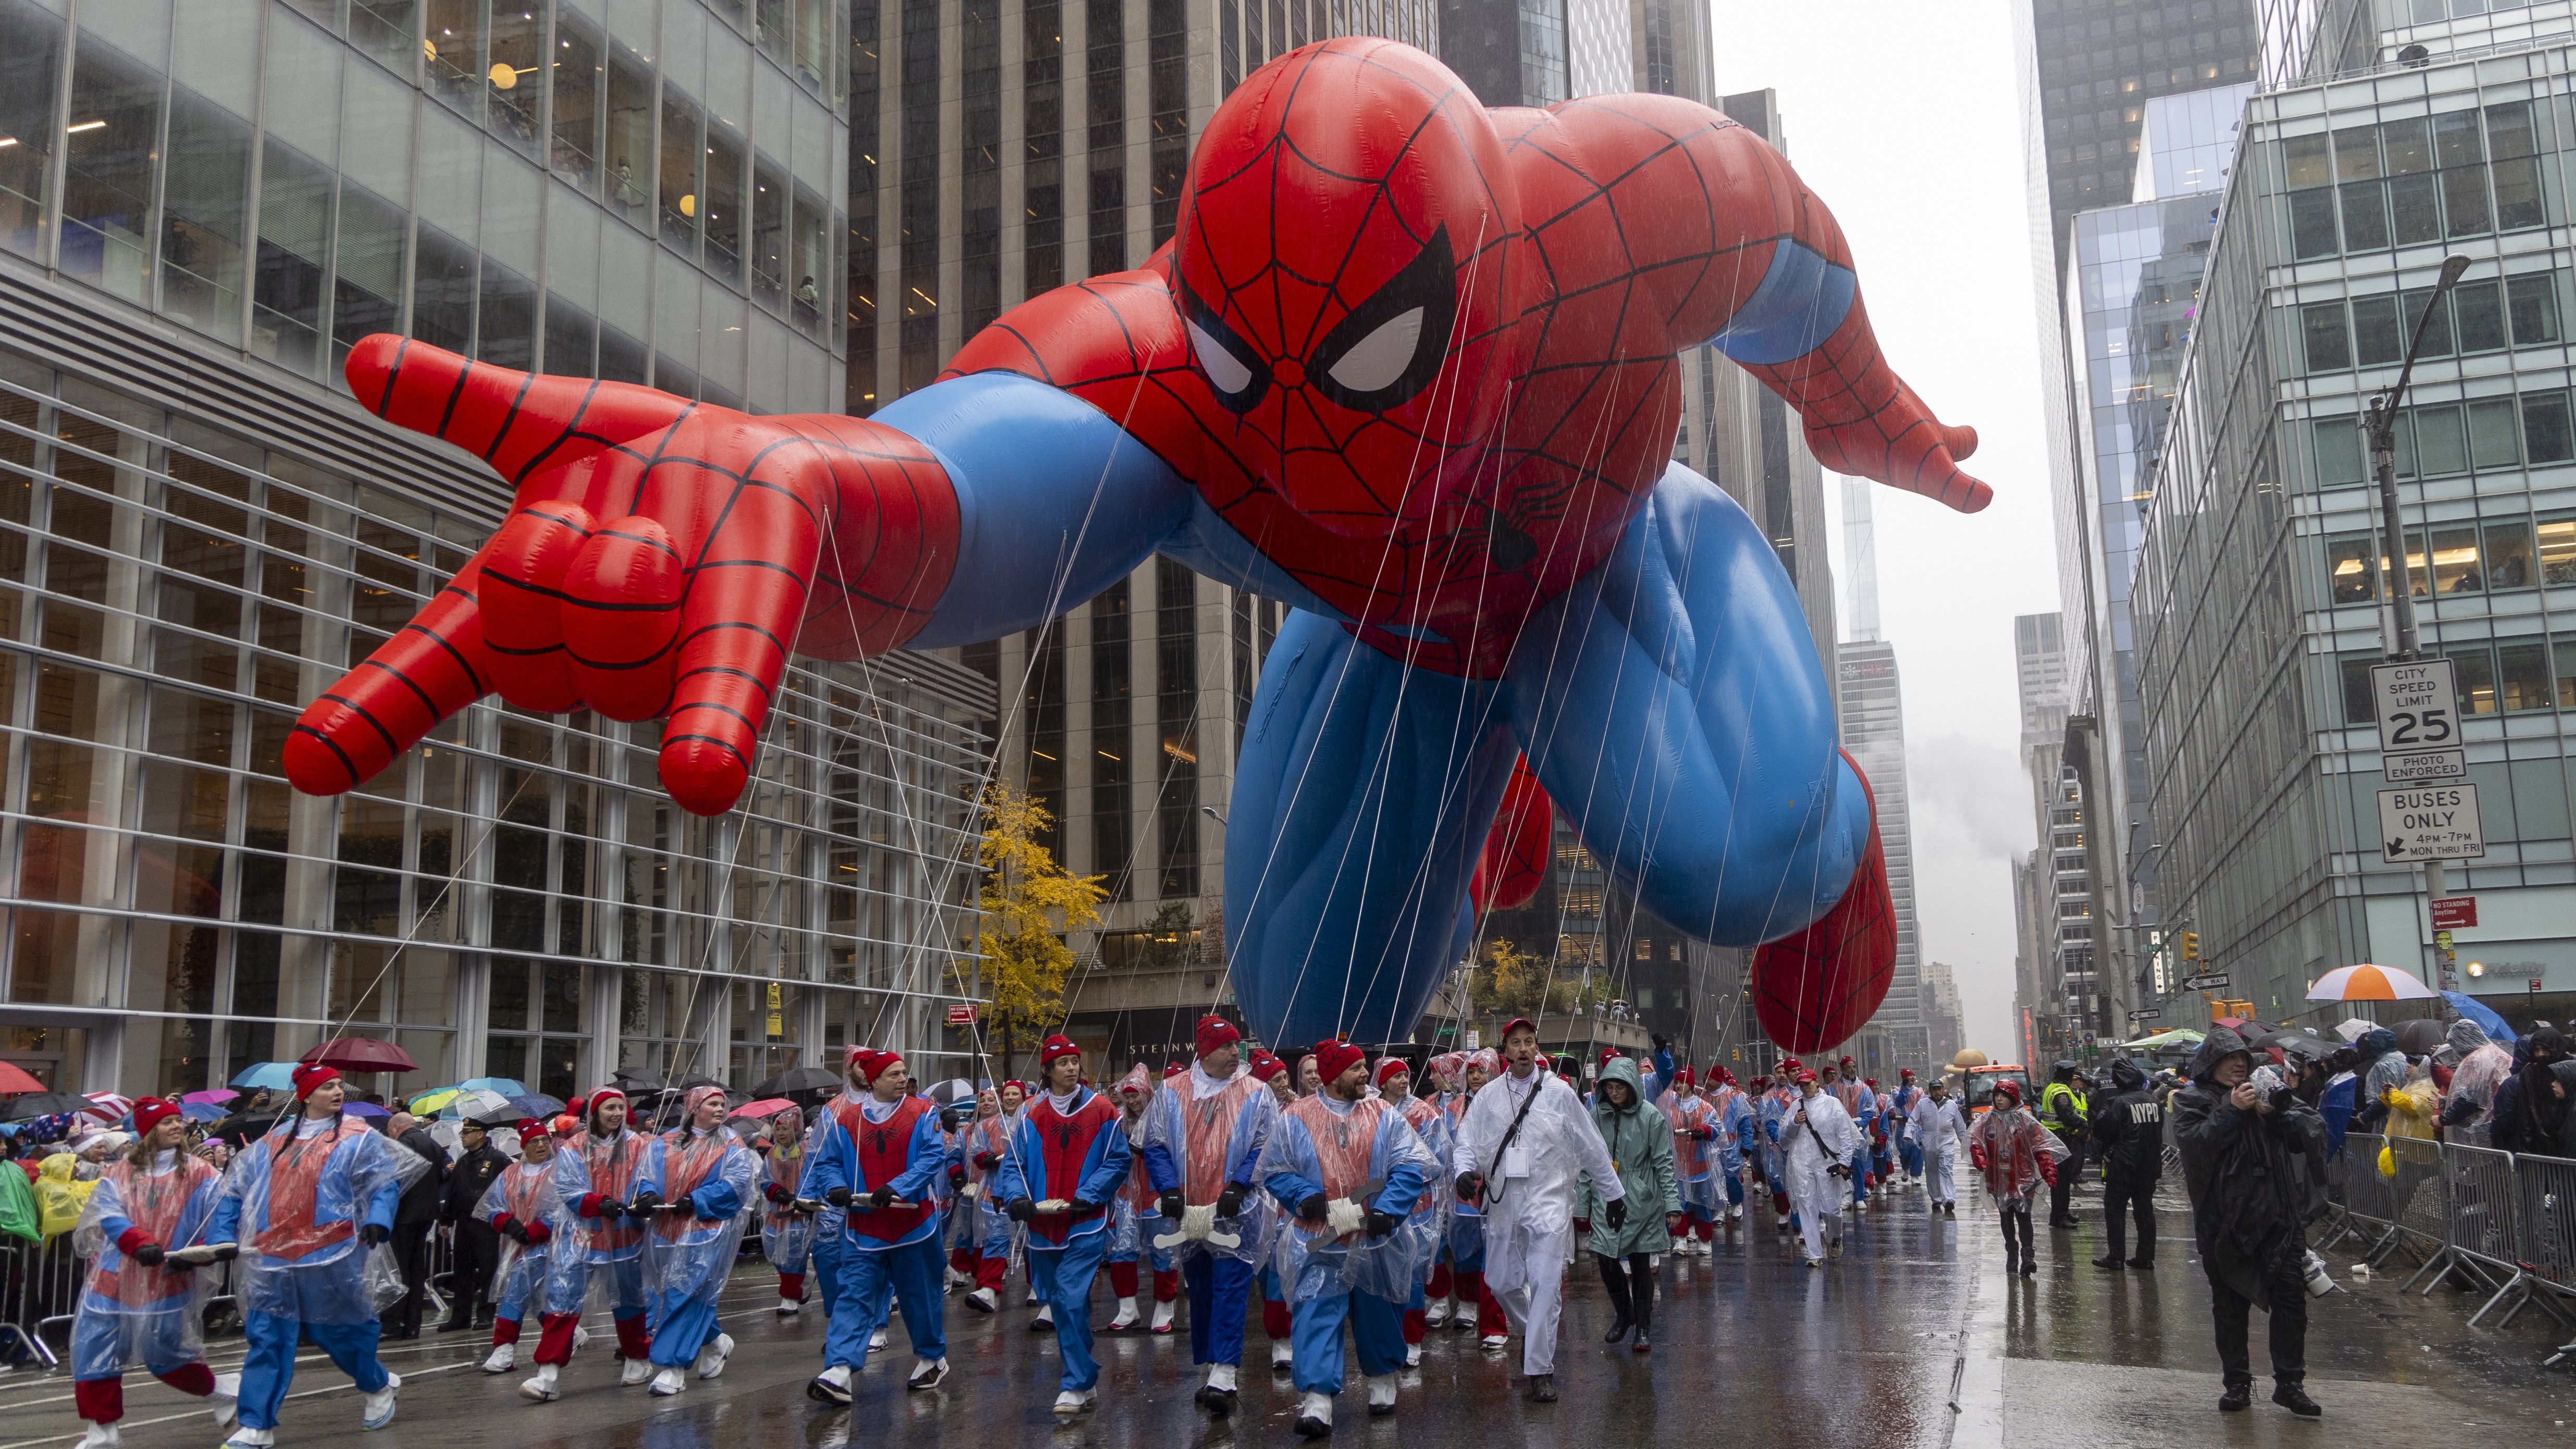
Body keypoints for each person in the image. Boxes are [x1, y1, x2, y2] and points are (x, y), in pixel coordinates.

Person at [209, 1065, 425, 1448]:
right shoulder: (273, 1141)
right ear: (307, 1095)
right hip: (272, 1255)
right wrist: (223, 1236)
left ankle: (378, 1384)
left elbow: (384, 1183)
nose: (338, 1091)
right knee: (267, 1337)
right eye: (328, 1086)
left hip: (332, 1252)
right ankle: (257, 1424)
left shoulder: (359, 1137)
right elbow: (234, 1190)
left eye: (340, 1085)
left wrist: (378, 1219)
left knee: (338, 1332)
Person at [1257, 1039, 1434, 1438]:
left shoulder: (1384, 1114)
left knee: (1378, 1311)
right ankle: (1318, 1400)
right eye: (1356, 1068)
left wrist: (1389, 1208)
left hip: (1375, 1237)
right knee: (1315, 1312)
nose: (1365, 1074)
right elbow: (1275, 1169)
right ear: (1336, 1075)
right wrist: (1306, 1198)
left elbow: (1410, 1163)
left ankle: (1382, 1380)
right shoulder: (1295, 1117)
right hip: (1318, 1238)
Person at [1451, 1017, 1624, 1403]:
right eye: (1516, 1042)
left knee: (1546, 1282)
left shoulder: (1559, 1093)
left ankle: (1541, 1369)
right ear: (1505, 1050)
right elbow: (1466, 1140)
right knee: (1500, 1281)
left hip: (1548, 1199)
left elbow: (1591, 1145)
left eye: (1530, 1041)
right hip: (1504, 1202)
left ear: (1537, 1046)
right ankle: (1536, 1334)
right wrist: (1462, 1171)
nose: (1524, 1048)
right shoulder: (1489, 1097)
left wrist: (1614, 1194)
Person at [2172, 1026, 2325, 1418]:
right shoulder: (2193, 1099)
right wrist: (2232, 1110)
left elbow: (2304, 1135)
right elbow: (2195, 1145)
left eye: (2243, 1058)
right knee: (2229, 1305)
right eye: (2229, 1059)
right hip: (2224, 1222)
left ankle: (2290, 1383)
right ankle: (2237, 1383)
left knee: (2291, 1302)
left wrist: (2277, 1114)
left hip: (2278, 1217)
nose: (2238, 1064)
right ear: (2211, 1062)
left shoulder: (2266, 1087)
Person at [68, 1098, 237, 1449]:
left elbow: (220, 1215)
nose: (176, 1126)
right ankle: (103, 1430)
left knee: (166, 1356)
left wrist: (204, 1252)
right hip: (112, 1277)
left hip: (168, 1277)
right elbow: (110, 1214)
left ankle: (221, 1392)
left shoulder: (201, 1172)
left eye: (178, 1120)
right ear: (147, 1132)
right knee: (94, 1350)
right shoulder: (117, 1172)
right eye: (166, 1122)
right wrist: (138, 1241)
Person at [1137, 1014, 1278, 1416]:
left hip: (1236, 1211)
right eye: (1226, 1046)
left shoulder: (1256, 1092)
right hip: (1188, 1212)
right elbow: (1157, 1144)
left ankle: (1225, 1371)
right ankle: (1212, 1361)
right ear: (1204, 1051)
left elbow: (1265, 1144)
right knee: (1199, 1287)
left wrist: (1240, 1184)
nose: (1236, 1052)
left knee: (1231, 1287)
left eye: (1237, 1045)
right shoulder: (1171, 1091)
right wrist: (1168, 1189)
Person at [993, 1034, 1131, 1419]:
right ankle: (1085, 1377)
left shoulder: (1103, 1109)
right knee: (1065, 1303)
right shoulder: (1031, 1112)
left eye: (1075, 1060)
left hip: (1085, 1220)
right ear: (1048, 1070)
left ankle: (1074, 1381)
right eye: (1063, 1062)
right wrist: (1016, 1196)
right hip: (1042, 1223)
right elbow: (1014, 1163)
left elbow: (1118, 1160)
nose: (1072, 1067)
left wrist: (1090, 1194)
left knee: (1069, 1299)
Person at [804, 1048, 952, 1403]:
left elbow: (933, 1155)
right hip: (863, 1227)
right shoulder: (846, 1119)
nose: (903, 1079)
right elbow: (827, 1162)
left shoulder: (923, 1111)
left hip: (914, 1223)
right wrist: (835, 1187)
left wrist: (898, 1187)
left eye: (904, 1072)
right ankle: (839, 1369)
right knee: (853, 1294)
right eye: (894, 1074)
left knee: (919, 1296)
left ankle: (932, 1357)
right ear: (873, 1081)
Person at [632, 1084, 759, 1396]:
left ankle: (672, 1367)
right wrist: (647, 1194)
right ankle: (716, 1342)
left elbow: (737, 1184)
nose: (720, 1109)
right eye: (712, 1104)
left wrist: (698, 1200)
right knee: (675, 1293)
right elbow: (643, 1177)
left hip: (705, 1231)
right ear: (693, 1109)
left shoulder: (732, 1143)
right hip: (664, 1230)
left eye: (722, 1104)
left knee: (683, 1293)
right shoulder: (664, 1142)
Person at [474, 1116, 589, 1403]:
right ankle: (571, 1335)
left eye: (543, 1140)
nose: (540, 1145)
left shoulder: (559, 1170)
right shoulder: (510, 1174)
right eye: (533, 1142)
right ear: (523, 1146)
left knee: (515, 1292)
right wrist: (508, 1224)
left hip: (552, 1245)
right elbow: (492, 1207)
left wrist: (537, 1230)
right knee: (538, 1297)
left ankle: (503, 1348)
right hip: (518, 1245)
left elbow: (565, 1207)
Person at [1577, 1055, 1678, 1348]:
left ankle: (1642, 1328)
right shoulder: (1595, 1116)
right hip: (1606, 1196)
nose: (1614, 1093)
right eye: (1608, 1087)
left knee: (1641, 1263)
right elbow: (1587, 1162)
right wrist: (1582, 1205)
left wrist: (1672, 1204)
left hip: (1642, 1197)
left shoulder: (1650, 1117)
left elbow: (1664, 1163)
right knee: (1606, 1260)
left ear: (1632, 1085)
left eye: (1619, 1086)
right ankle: (1624, 1314)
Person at [563, 1087, 657, 1384]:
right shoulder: (575, 1145)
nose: (616, 1114)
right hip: (585, 1238)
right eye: (609, 1108)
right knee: (565, 1296)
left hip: (627, 1237)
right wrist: (594, 1203)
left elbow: (649, 1178)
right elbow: (567, 1188)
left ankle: (636, 1357)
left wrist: (646, 1197)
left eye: (620, 1108)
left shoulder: (639, 1145)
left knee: (629, 1299)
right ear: (595, 1112)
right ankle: (549, 1369)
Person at [1103, 1064, 1180, 1334]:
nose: (1133, 1101)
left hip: (1157, 1195)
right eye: (1129, 1096)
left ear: (1148, 1093)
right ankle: (1127, 1307)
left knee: (1164, 1250)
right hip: (1126, 1195)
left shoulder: (1162, 1118)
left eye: (1137, 1095)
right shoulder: (1119, 1121)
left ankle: (1165, 1306)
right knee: (1122, 1251)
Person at [1965, 1078, 2061, 1278]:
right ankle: (2012, 1252)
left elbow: (2041, 1147)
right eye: (1997, 1096)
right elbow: (1975, 1142)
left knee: (2024, 1217)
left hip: (2024, 1177)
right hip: (1998, 1177)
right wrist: (1980, 1159)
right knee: (2006, 1216)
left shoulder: (2026, 1121)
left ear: (2013, 1098)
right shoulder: (1987, 1120)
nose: (2000, 1100)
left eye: (2004, 1096)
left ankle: (2028, 1256)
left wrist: (2048, 1169)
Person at [2088, 1058, 2162, 1271]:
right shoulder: (2153, 1102)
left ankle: (2116, 1257)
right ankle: (2145, 1257)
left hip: (2123, 1166)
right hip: (2149, 1166)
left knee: (2115, 1211)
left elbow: (2101, 1132)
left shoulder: (2118, 1103)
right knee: (2145, 1212)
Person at [381, 1112, 448, 1341]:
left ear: (397, 1128)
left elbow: (394, 1178)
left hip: (404, 1215)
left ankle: (393, 1323)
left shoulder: (403, 1143)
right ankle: (412, 1324)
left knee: (398, 1270)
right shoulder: (433, 1144)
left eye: (390, 1132)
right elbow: (442, 1176)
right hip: (426, 1213)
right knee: (416, 1269)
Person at [438, 1118, 509, 1332]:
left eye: (467, 1133)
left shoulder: (497, 1159)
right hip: (464, 1222)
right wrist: (446, 1220)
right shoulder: (463, 1159)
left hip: (486, 1223)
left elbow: (508, 1186)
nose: (463, 1136)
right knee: (462, 1272)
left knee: (487, 1271)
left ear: (481, 1134)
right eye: (462, 1133)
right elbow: (453, 1191)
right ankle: (460, 1317)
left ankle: (486, 1315)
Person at [1781, 1070, 1854, 1267]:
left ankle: (1835, 1235)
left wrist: (1845, 1162)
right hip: (1801, 1161)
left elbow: (1845, 1135)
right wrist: (1793, 1123)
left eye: (1808, 1084)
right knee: (1807, 1205)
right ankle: (1815, 1255)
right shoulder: (1797, 1106)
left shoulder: (1832, 1104)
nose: (1805, 1088)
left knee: (1830, 1208)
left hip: (1827, 1163)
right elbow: (1784, 1137)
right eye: (1801, 1085)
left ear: (1817, 1083)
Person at [953, 1085, 1016, 1312]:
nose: (1010, 1098)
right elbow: (973, 1153)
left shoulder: (1032, 1120)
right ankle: (987, 1286)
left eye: (1015, 1094)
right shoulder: (984, 1126)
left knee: (1032, 1243)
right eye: (1006, 1094)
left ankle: (1041, 1290)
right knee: (990, 1236)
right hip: (991, 1190)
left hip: (1027, 1190)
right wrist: (988, 1158)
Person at [758, 1105, 818, 1316]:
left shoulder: (807, 1150)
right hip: (776, 1211)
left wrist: (803, 1197)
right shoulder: (771, 1154)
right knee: (774, 1251)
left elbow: (814, 1175)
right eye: (779, 1129)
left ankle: (790, 1297)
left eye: (786, 1129)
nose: (782, 1133)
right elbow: (764, 1179)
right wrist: (775, 1191)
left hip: (799, 1211)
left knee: (794, 1253)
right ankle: (805, 1279)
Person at [1656, 1069, 1719, 1253]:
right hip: (1677, 1165)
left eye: (1682, 1083)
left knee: (1702, 1202)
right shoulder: (1669, 1107)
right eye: (1676, 1083)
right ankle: (1680, 1238)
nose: (1678, 1086)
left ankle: (1705, 1239)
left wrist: (1705, 1131)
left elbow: (1716, 1127)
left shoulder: (1705, 1107)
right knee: (1679, 1201)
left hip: (1700, 1165)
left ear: (1691, 1085)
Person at [2489, 1027, 2570, 1155]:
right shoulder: (2529, 1076)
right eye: (2536, 1050)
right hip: (2539, 1149)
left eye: (2545, 1049)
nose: (2540, 1054)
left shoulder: (2570, 1071)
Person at [1906, 1075, 1967, 1216]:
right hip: (1929, 1143)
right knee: (1932, 1171)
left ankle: (1949, 1199)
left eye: (1939, 1089)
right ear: (1930, 1091)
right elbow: (1913, 1120)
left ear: (1943, 1090)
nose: (1937, 1093)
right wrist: (1908, 1133)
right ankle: (1936, 1199)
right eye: (1934, 1090)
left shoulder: (1951, 1105)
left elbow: (1959, 1125)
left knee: (1946, 1169)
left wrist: (1966, 1142)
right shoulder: (1923, 1104)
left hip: (1946, 1142)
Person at [2038, 1060, 2089, 1228]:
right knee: (2060, 1180)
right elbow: (2067, 1117)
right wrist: (2083, 1125)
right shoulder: (2061, 1092)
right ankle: (2059, 1217)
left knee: (2064, 1179)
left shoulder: (2052, 1087)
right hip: (2059, 1139)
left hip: (2057, 1138)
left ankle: (2063, 1212)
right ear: (2067, 1076)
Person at [1888, 1070, 1925, 1190]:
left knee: (1917, 1152)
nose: (1913, 1078)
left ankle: (1915, 1176)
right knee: (1904, 1153)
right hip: (1902, 1126)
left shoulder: (1920, 1092)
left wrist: (1911, 1115)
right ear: (1904, 1078)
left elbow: (1921, 1107)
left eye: (1914, 1075)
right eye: (1910, 1076)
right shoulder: (1896, 1091)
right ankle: (1905, 1168)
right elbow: (1899, 1103)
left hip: (1917, 1127)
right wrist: (1904, 1088)